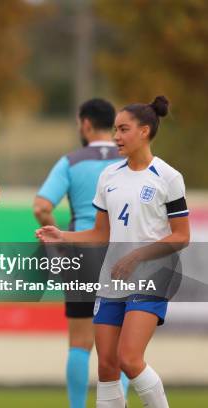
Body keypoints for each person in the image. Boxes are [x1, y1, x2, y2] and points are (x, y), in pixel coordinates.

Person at [36, 96, 190, 408]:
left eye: (123, 130)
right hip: (113, 277)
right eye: (116, 129)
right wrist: (61, 235)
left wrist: (136, 256)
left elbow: (182, 236)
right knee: (106, 366)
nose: (116, 137)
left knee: (129, 360)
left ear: (144, 131)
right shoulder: (110, 176)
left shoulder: (169, 178)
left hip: (153, 276)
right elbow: (100, 234)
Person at [33, 98, 128, 408]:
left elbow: (42, 207)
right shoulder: (131, 158)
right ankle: (119, 402)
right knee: (120, 343)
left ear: (86, 124)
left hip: (82, 254)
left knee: (80, 341)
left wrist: (59, 241)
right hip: (123, 254)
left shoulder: (71, 161)